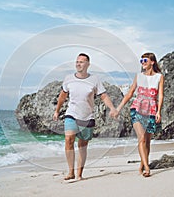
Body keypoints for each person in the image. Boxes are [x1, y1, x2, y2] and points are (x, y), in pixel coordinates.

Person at [53, 53, 118, 181]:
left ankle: (79, 174)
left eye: (82, 62)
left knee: (82, 146)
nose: (78, 64)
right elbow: (62, 96)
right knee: (69, 140)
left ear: (88, 64)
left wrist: (112, 108)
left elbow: (103, 96)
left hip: (87, 117)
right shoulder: (68, 78)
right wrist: (57, 111)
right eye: (77, 61)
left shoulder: (95, 80)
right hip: (71, 114)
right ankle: (71, 172)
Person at [116, 52, 164, 177]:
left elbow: (160, 95)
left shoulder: (159, 77)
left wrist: (159, 112)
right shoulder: (138, 76)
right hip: (137, 108)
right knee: (141, 138)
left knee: (147, 141)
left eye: (145, 60)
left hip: (151, 110)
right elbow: (130, 93)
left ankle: (143, 163)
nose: (143, 63)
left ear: (152, 62)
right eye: (141, 61)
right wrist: (119, 108)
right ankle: (147, 168)